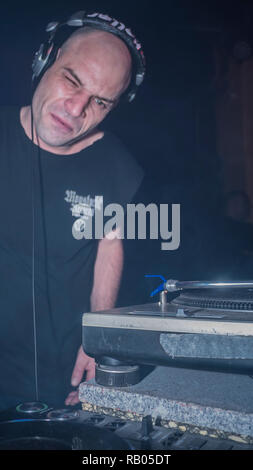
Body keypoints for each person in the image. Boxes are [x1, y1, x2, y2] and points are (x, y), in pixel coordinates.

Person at [0, 12, 144, 410]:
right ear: (45, 59)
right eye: (72, 79)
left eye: (99, 101)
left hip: (63, 378)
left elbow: (109, 250)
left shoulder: (117, 164)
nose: (77, 108)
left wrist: (100, 340)